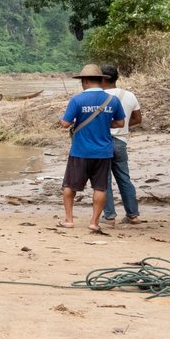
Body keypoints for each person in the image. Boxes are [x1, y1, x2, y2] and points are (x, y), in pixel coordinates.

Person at [58, 63, 126, 232]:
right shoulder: (113, 100)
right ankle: (94, 222)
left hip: (80, 151)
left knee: (69, 186)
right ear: (101, 81)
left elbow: (65, 124)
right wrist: (103, 122)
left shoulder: (77, 99)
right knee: (100, 187)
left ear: (85, 81)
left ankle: (69, 220)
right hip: (103, 152)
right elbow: (120, 123)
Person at [99, 64, 142, 224]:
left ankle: (109, 215)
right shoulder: (129, 95)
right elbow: (138, 119)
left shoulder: (97, 97)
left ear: (102, 79)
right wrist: (122, 126)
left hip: (102, 141)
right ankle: (133, 215)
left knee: (104, 180)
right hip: (121, 141)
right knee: (124, 178)